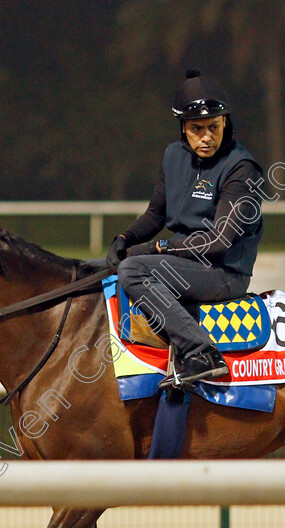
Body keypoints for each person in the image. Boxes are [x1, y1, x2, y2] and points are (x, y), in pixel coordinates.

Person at [107, 69, 264, 386]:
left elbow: (220, 240)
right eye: (197, 129)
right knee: (95, 269)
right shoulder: (172, 156)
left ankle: (201, 353)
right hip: (183, 264)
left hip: (224, 273)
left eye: (214, 127)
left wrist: (156, 248)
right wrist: (124, 239)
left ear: (225, 124)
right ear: (183, 128)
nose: (207, 136)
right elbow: (155, 214)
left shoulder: (241, 168)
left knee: (134, 271)